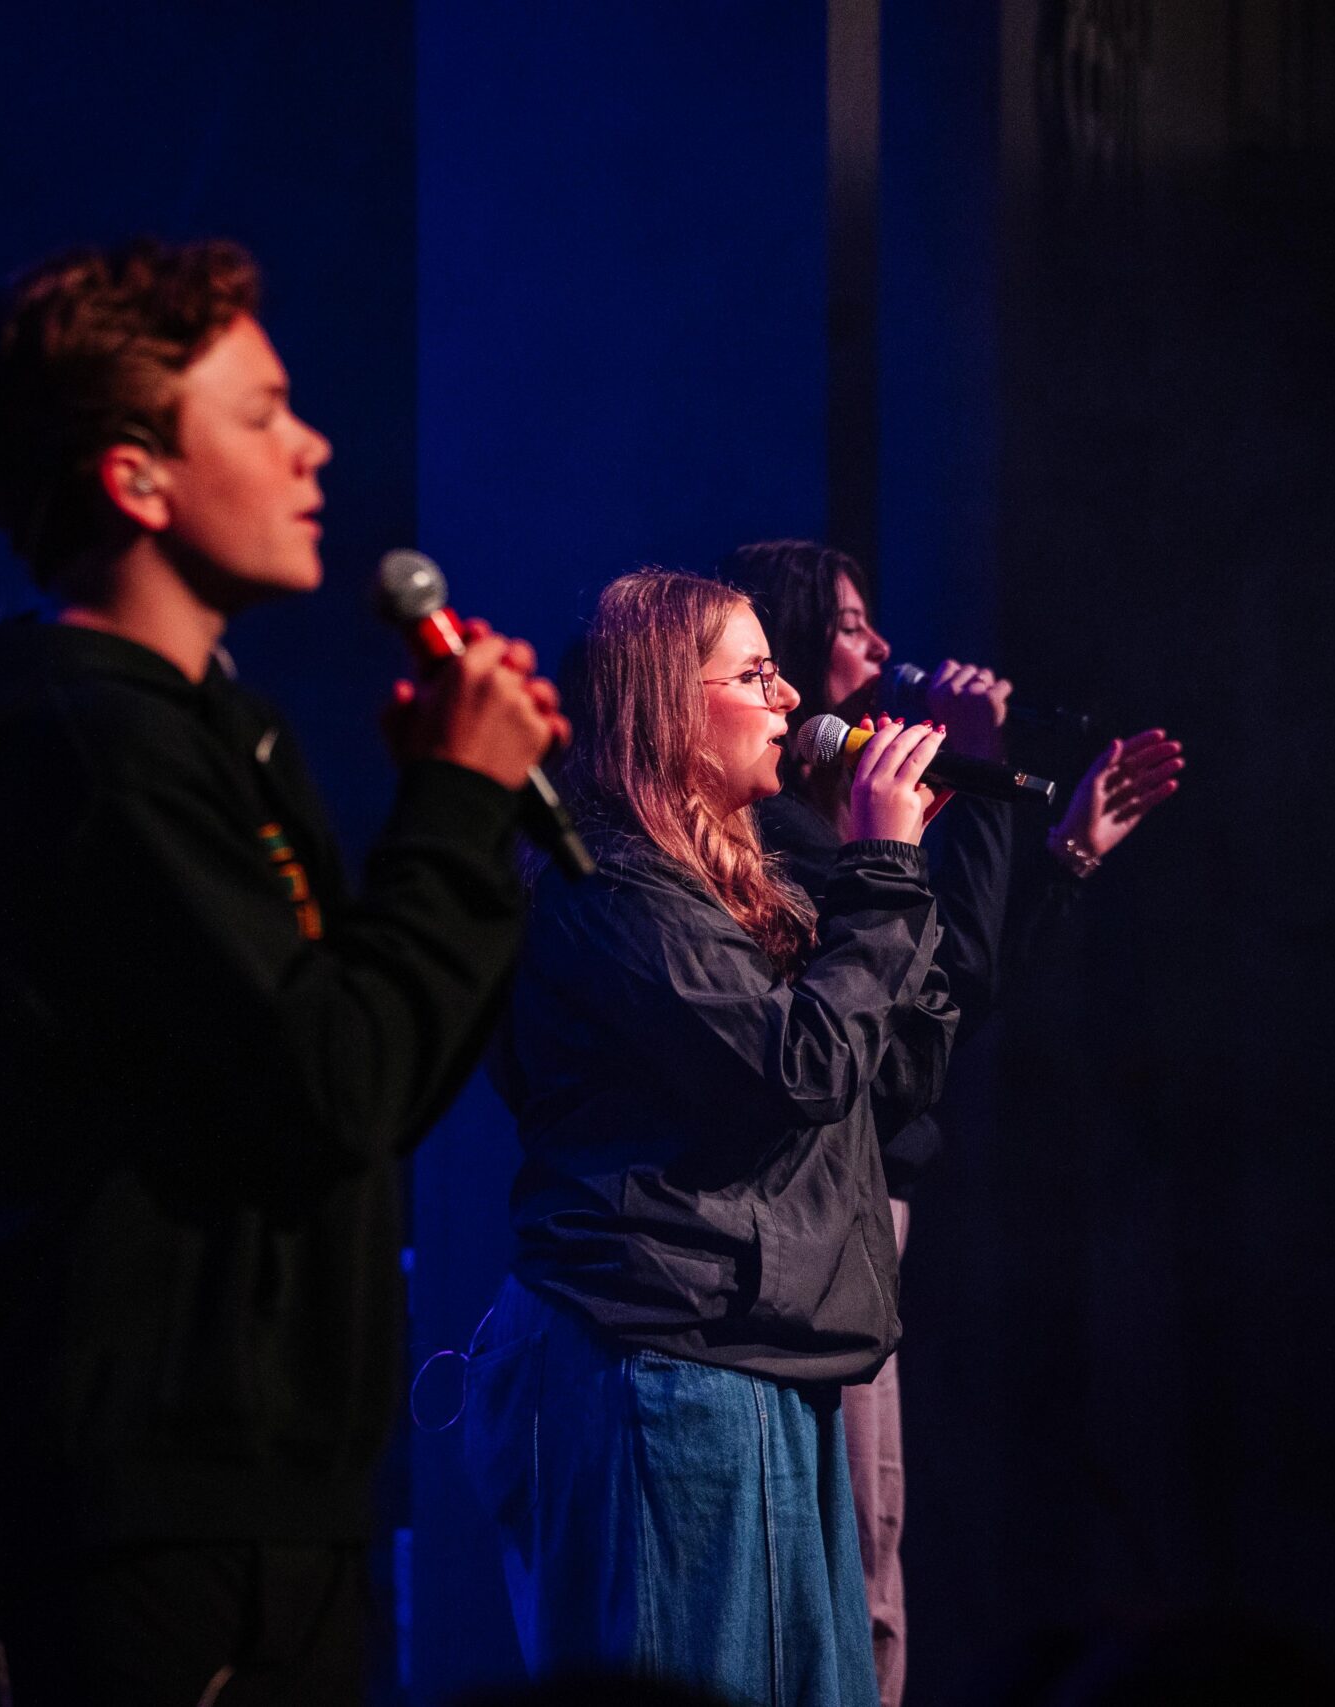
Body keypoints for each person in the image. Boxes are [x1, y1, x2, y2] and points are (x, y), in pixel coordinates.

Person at [0, 237, 562, 1703]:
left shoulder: (218, 728)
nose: (312, 442)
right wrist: (453, 812)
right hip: (146, 1489)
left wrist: (456, 822)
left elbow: (362, 1074)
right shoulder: (86, 744)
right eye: (260, 413)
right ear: (138, 477)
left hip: (269, 1482)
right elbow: (328, 1081)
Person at [464, 568, 956, 1705]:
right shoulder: (612, 889)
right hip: (665, 1358)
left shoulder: (742, 883)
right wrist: (879, 871)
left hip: (756, 1353)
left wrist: (874, 860)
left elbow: (900, 1073)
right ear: (666, 711)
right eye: (754, 674)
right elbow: (800, 1068)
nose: (789, 699)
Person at [716, 539, 1182, 1706]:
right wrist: (973, 766)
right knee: (848, 1536)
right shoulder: (785, 840)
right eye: (853, 625)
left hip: (869, 1198)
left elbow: (940, 1006)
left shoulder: (841, 820)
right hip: (824, 1203)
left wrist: (1064, 856)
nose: (883, 648)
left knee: (868, 1537)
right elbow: (950, 972)